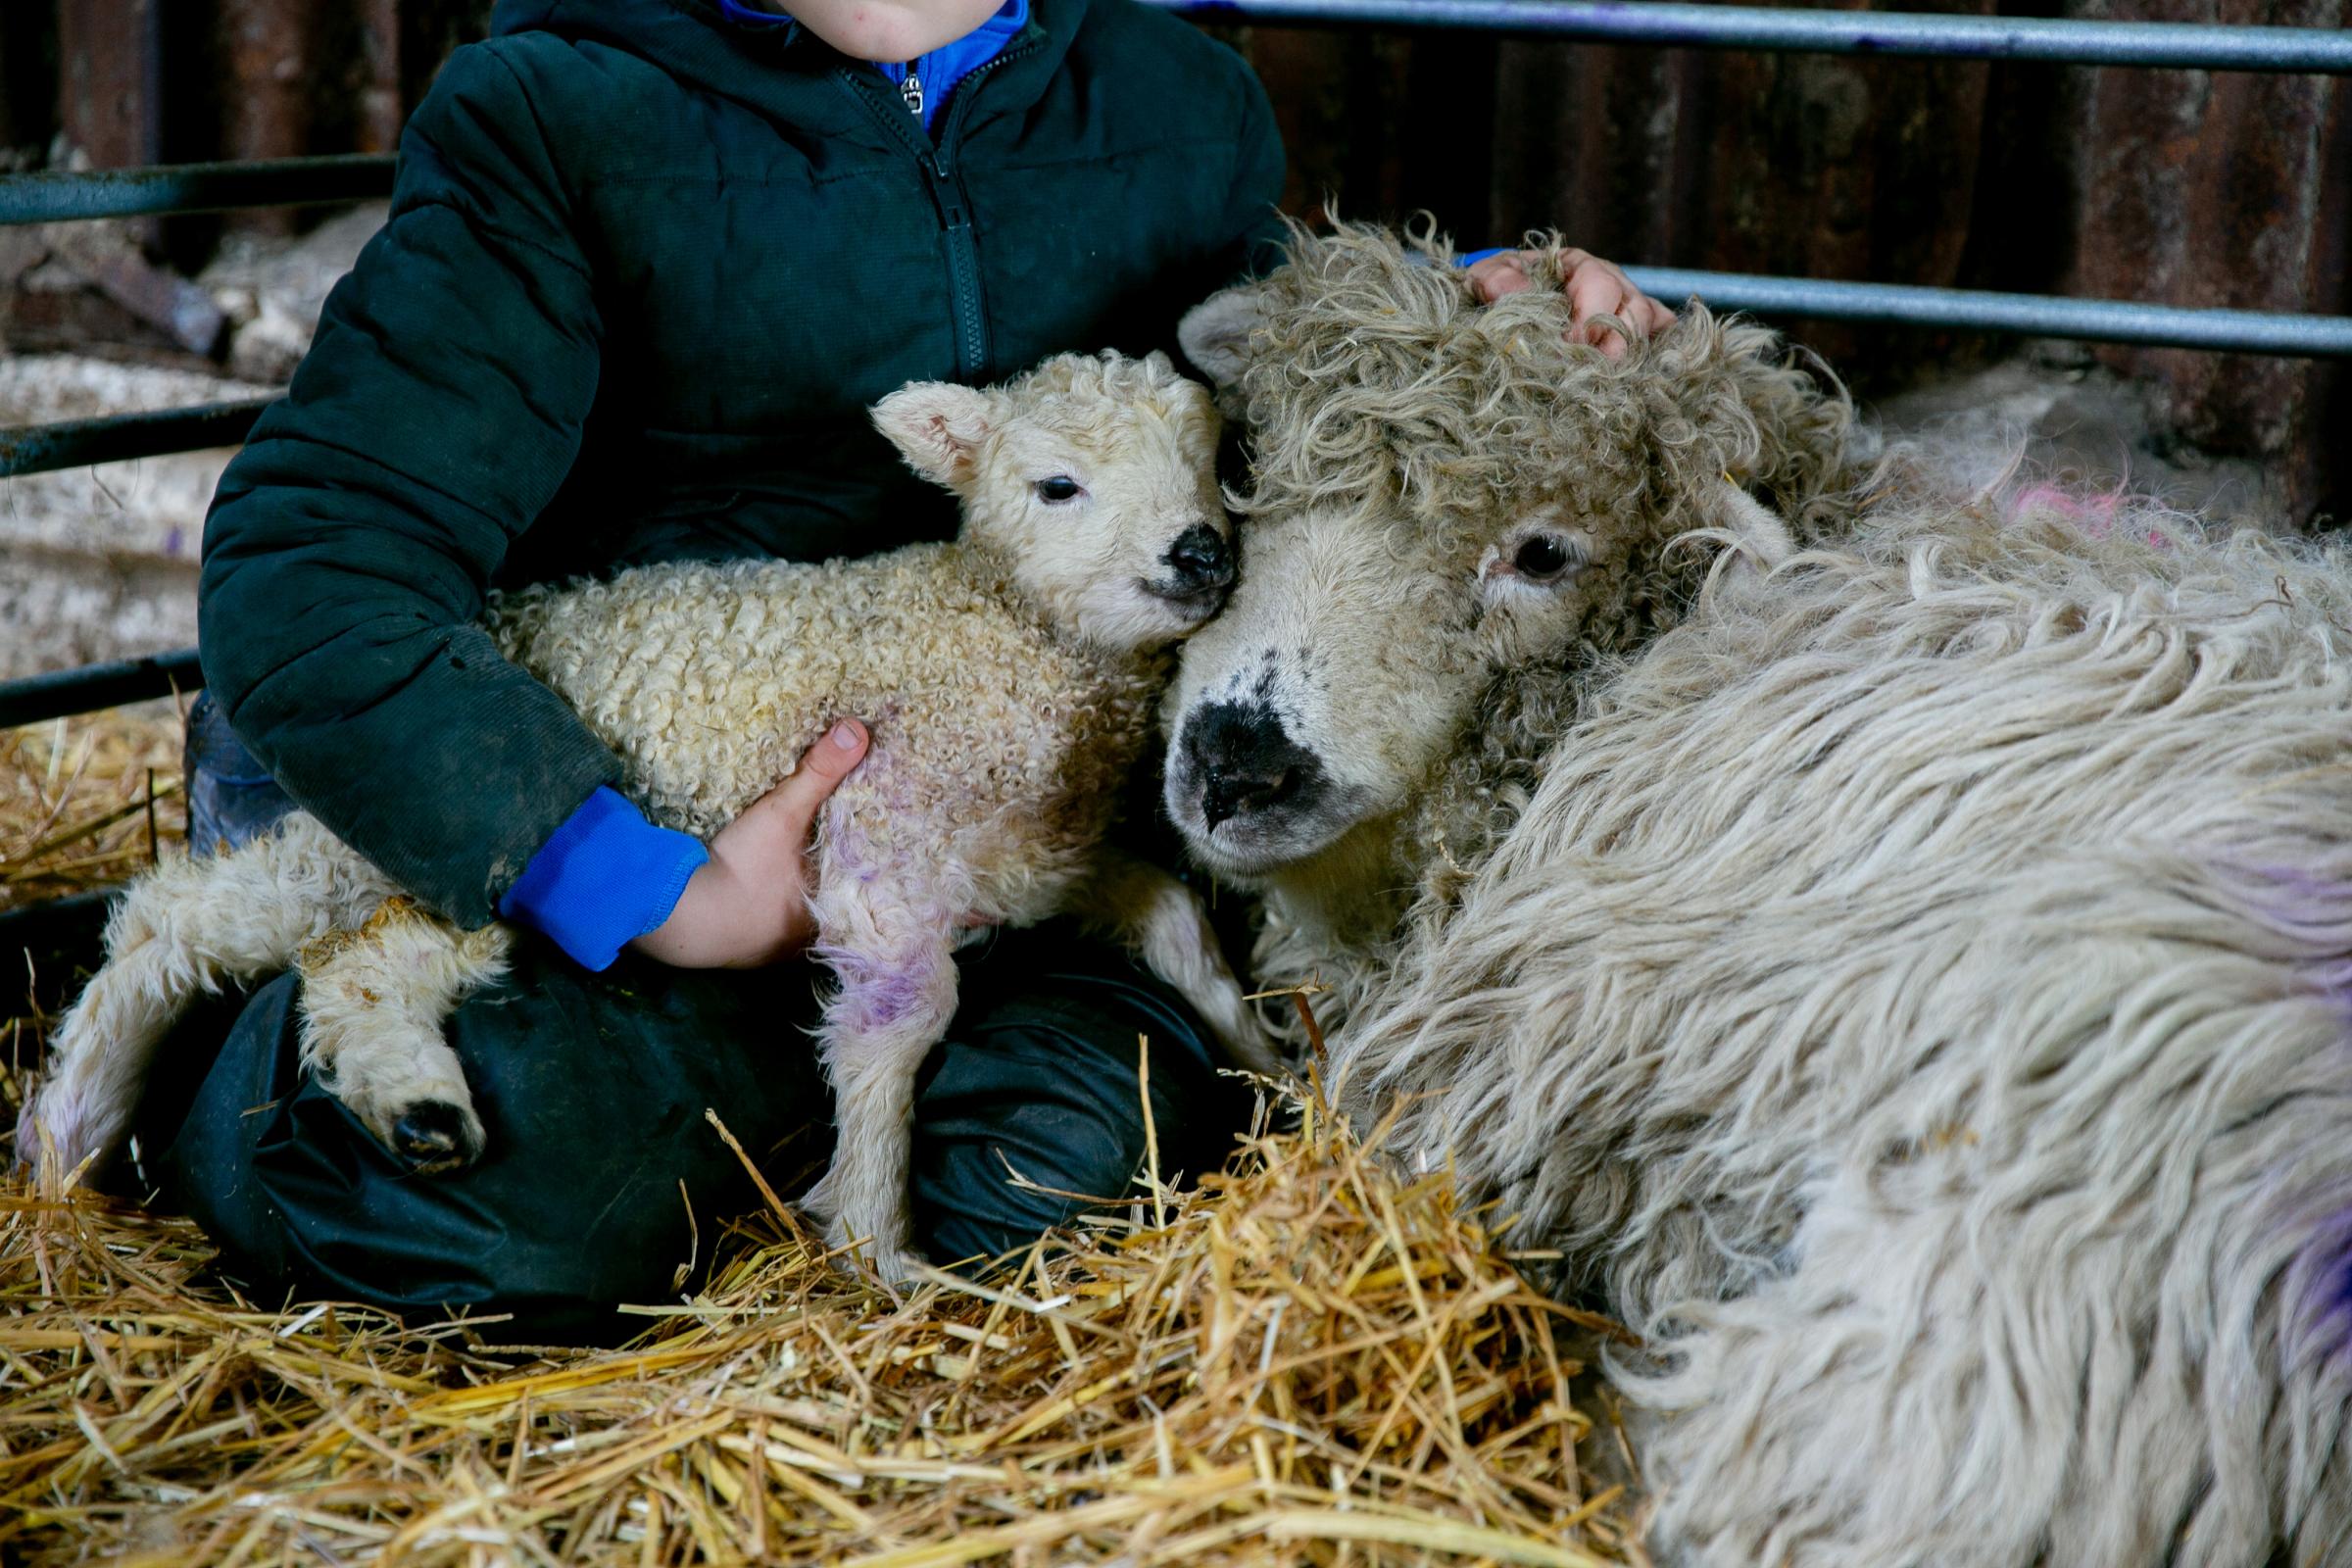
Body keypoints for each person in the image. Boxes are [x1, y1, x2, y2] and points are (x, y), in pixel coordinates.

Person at [138, 0, 1672, 1344]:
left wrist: (1480, 320)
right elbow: (316, 554)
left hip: (1016, 842)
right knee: (458, 1223)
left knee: (1080, 1188)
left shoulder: (1176, 106)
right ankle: (250, 1016)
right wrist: (644, 891)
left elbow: (1254, 406)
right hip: (664, 825)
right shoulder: (558, 109)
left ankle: (787, 1132)